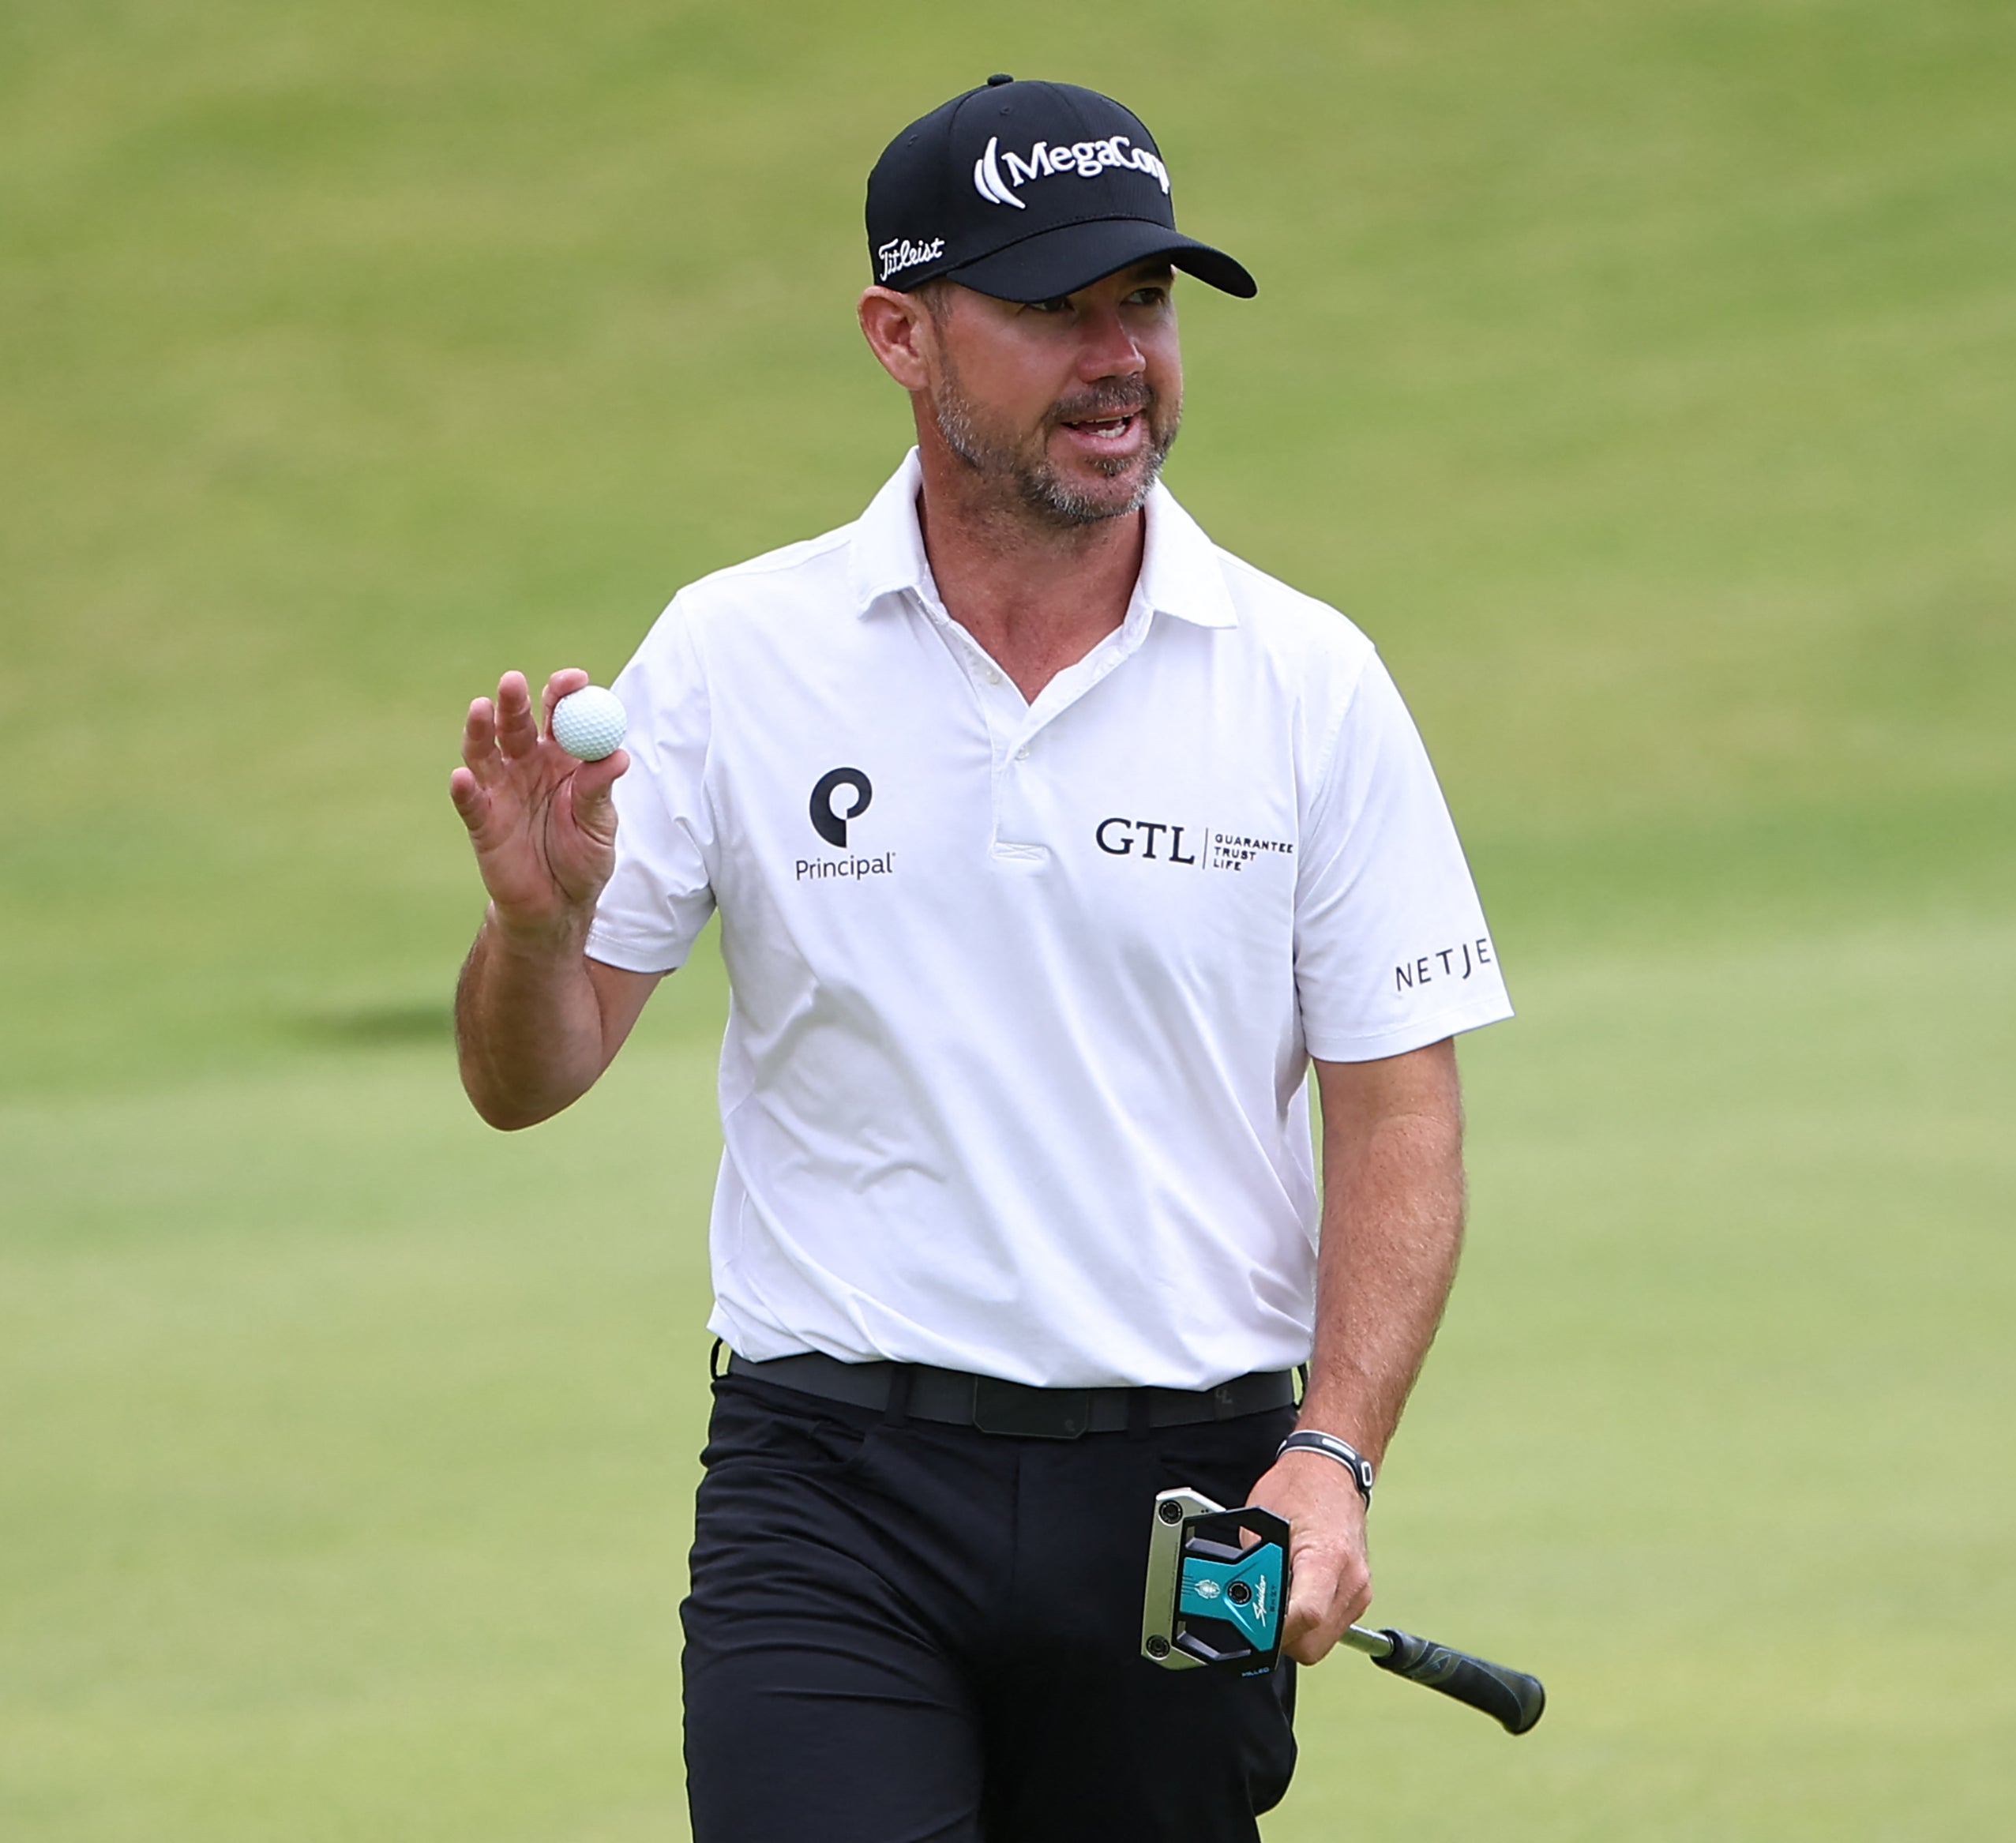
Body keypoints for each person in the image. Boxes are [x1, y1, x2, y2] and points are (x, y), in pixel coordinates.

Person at [446, 75, 1511, 1842]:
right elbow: (525, 1080)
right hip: (830, 1484)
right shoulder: (736, 651)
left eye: (1146, 303)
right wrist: (534, 928)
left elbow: (1400, 1120)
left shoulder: (1306, 679)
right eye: (1051, 307)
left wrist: (1328, 1461)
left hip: (1187, 1492)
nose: (1121, 358)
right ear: (900, 335)